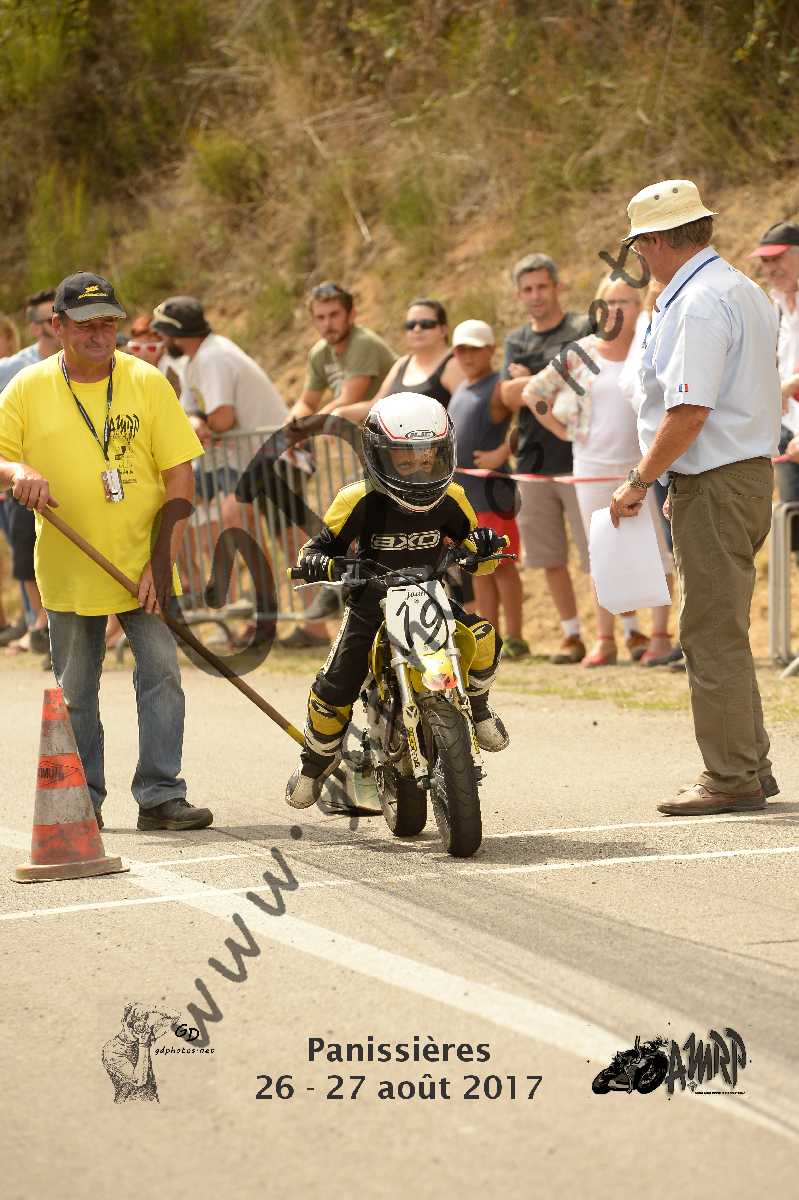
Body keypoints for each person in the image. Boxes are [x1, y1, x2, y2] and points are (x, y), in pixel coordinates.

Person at [0, 271, 211, 831]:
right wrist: (18, 472)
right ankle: (83, 800)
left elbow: (180, 475)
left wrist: (161, 560)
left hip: (145, 563)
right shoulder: (27, 387)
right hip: (70, 567)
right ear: (58, 326)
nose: (99, 335)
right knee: (76, 692)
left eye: (108, 323)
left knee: (163, 674)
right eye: (85, 325)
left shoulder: (147, 381)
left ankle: (161, 795)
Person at [610, 180, 781, 816]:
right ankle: (748, 764)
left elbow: (688, 411)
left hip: (716, 478)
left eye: (639, 245)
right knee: (720, 626)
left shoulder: (699, 301)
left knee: (709, 631)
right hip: (735, 474)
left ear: (656, 241)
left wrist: (639, 479)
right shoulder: (737, 287)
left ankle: (732, 774)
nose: (638, 256)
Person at [284, 392, 510, 809]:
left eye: (428, 456)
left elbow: (481, 559)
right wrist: (319, 563)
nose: (418, 466)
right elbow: (317, 548)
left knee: (483, 638)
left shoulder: (454, 497)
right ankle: (315, 763)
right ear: (377, 454)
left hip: (431, 598)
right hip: (370, 606)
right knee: (334, 685)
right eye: (404, 458)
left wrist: (482, 547)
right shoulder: (355, 499)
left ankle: (478, 709)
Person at [517, 276, 673, 667]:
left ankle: (659, 636)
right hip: (590, 467)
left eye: (626, 302)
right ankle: (605, 640)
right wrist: (562, 431)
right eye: (610, 302)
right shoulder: (583, 352)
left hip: (642, 464)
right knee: (602, 552)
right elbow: (533, 393)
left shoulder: (647, 347)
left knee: (656, 550)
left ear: (640, 308)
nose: (617, 310)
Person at [499, 254, 592, 664]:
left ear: (557, 286)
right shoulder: (516, 340)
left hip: (582, 459)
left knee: (596, 555)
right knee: (550, 558)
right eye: (527, 289)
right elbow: (507, 396)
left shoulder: (581, 328)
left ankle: (625, 633)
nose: (536, 295)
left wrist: (530, 380)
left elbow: (589, 383)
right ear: (519, 295)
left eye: (542, 286)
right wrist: (547, 381)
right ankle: (572, 636)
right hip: (533, 465)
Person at [448, 319, 528, 658]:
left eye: (475, 349)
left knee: (502, 566)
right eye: (461, 350)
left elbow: (532, 417)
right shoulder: (460, 388)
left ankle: (516, 638)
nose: (468, 356)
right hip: (466, 496)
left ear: (491, 350)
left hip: (494, 495)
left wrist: (502, 452)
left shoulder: (500, 386)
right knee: (477, 567)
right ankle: (488, 636)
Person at [0, 289, 60, 660]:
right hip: (21, 478)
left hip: (69, 475)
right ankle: (41, 621)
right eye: (48, 318)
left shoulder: (86, 363)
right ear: (37, 326)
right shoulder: (14, 369)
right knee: (26, 554)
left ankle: (51, 625)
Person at [748, 223, 799, 548]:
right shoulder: (775, 306)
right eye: (765, 261)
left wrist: (789, 385)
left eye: (777, 258)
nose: (770, 269)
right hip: (787, 431)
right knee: (795, 535)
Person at [290, 282, 396, 425]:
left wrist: (308, 427)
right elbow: (307, 403)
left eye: (334, 315)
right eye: (320, 317)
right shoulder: (319, 353)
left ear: (351, 315)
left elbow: (348, 401)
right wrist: (293, 423)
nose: (327, 324)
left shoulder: (363, 342)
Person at [373, 298, 464, 407]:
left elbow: (466, 411)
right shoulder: (402, 364)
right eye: (410, 325)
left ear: (444, 330)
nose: (417, 329)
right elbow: (374, 405)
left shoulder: (454, 365)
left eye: (426, 324)